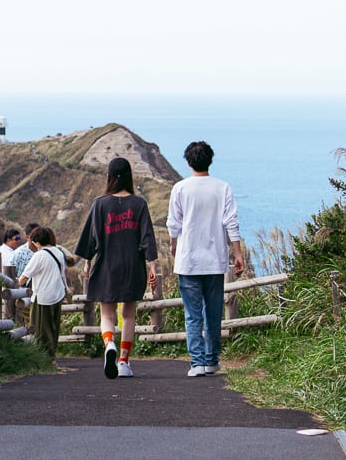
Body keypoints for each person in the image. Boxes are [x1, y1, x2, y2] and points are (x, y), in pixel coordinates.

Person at [167, 140, 246, 378]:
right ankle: (212, 361)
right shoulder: (222, 188)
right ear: (210, 160)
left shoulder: (180, 188)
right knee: (213, 314)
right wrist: (238, 252)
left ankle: (197, 363)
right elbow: (231, 222)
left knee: (192, 314)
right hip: (214, 261)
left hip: (188, 260)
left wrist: (174, 246)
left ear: (189, 161)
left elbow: (174, 224)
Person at [76, 157, 157, 379]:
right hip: (132, 264)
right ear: (130, 176)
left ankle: (109, 342)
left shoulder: (100, 203)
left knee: (107, 313)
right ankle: (123, 361)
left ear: (110, 177)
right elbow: (147, 237)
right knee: (129, 314)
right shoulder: (139, 204)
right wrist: (152, 265)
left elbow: (90, 238)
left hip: (106, 264)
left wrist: (87, 262)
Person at [18, 226, 67, 357]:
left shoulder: (39, 255)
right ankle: (52, 356)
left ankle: (45, 358)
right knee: (53, 327)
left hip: (43, 297)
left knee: (40, 329)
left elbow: (23, 278)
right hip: (58, 294)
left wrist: (9, 287)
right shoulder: (58, 252)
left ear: (37, 242)